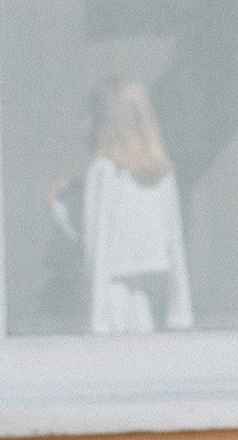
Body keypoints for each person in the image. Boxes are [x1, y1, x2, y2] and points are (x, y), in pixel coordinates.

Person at [47, 78, 193, 334]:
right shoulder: (162, 175)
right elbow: (176, 250)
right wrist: (180, 314)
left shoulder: (104, 173)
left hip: (109, 301)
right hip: (153, 303)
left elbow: (94, 245)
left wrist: (59, 209)